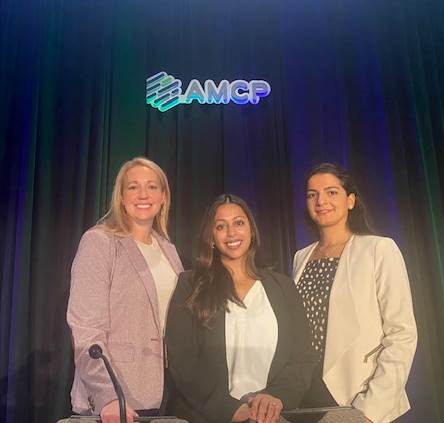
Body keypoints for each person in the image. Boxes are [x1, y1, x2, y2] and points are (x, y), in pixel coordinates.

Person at [165, 194, 315, 423]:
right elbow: (183, 360)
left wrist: (275, 398)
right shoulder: (190, 285)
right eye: (221, 226)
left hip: (271, 418)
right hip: (209, 417)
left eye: (239, 223)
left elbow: (302, 357)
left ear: (251, 230)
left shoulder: (283, 287)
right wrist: (228, 409)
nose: (232, 233)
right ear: (212, 238)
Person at [292, 163, 417, 423]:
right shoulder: (300, 257)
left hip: (356, 394)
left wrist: (368, 411)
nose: (321, 201)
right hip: (305, 392)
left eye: (331, 192)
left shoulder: (378, 249)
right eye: (312, 194)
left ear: (350, 200)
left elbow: (402, 334)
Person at [67, 157, 184, 423]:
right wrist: (108, 395)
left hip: (163, 395)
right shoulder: (99, 242)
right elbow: (86, 328)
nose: (143, 194)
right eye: (133, 187)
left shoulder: (169, 249)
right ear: (120, 196)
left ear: (164, 196)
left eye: (152, 187)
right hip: (116, 402)